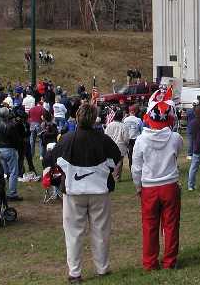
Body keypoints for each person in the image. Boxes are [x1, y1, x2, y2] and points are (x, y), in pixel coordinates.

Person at [43, 103, 122, 282]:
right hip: (99, 191)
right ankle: (102, 268)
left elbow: (50, 159)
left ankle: (75, 272)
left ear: (77, 117)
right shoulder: (103, 139)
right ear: (94, 119)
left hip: (73, 191)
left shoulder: (67, 139)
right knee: (101, 231)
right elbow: (116, 158)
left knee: (73, 233)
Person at [132, 87, 184, 271]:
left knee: (149, 226)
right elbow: (177, 153)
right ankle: (170, 261)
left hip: (149, 186)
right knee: (170, 225)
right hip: (169, 184)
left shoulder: (141, 140)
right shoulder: (175, 138)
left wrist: (138, 186)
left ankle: (150, 262)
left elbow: (136, 167)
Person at [0, 107, 22, 201]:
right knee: (13, 172)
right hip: (9, 149)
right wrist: (16, 148)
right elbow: (16, 139)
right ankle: (12, 193)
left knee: (2, 172)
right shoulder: (11, 126)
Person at [105, 110, 129, 181]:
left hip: (111, 145)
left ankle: (110, 176)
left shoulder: (110, 125)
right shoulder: (123, 126)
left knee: (110, 161)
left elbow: (106, 135)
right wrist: (127, 144)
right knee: (119, 162)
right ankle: (116, 177)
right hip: (120, 146)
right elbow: (126, 138)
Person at [123, 104, 142, 171]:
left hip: (128, 139)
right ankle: (138, 168)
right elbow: (141, 130)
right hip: (136, 139)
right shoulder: (138, 120)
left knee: (130, 156)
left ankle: (131, 169)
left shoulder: (125, 120)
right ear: (135, 111)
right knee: (137, 155)